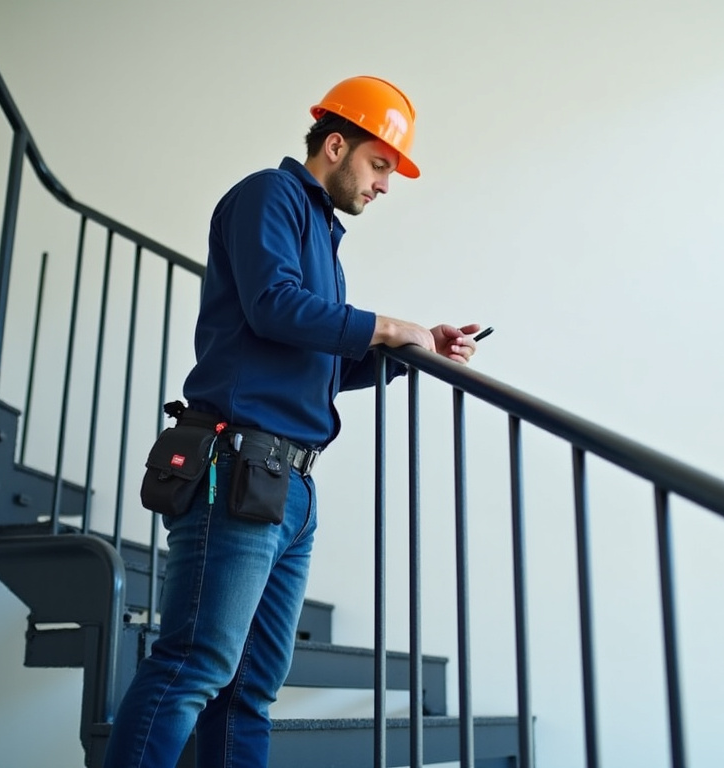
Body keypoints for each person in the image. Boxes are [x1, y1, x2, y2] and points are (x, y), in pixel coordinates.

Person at [105, 75, 480, 768]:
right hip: (236, 465)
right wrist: (390, 325)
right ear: (335, 145)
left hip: (290, 487)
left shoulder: (326, 242)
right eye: (379, 164)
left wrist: (411, 351)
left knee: (248, 692)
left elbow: (321, 363)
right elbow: (274, 307)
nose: (385, 186)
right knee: (194, 666)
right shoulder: (268, 197)